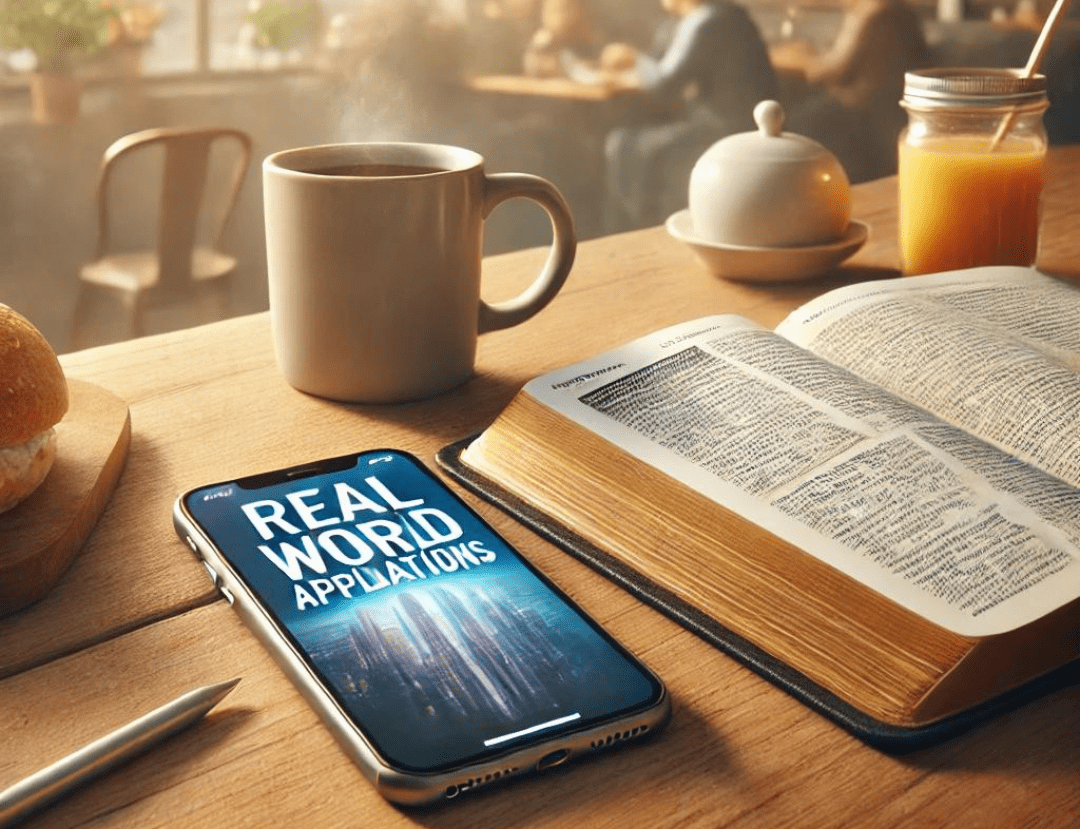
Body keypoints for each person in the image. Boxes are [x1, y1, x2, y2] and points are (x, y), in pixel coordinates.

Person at [571, 0, 779, 230]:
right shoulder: (729, 15)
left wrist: (633, 58)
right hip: (739, 121)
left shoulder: (706, 20)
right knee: (627, 139)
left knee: (621, 143)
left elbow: (665, 85)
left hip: (724, 127)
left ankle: (630, 228)